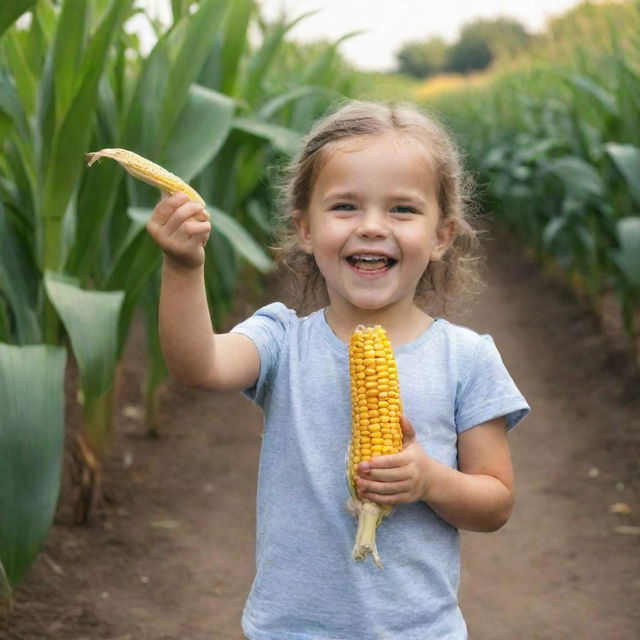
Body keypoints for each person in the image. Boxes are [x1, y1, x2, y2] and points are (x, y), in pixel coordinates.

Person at [146, 100, 530, 640]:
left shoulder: (467, 357)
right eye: (345, 207)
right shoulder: (282, 338)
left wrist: (429, 478)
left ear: (442, 236)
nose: (372, 227)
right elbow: (198, 365)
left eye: (402, 210)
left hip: (418, 630)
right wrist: (184, 268)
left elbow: (495, 503)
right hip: (291, 628)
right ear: (305, 229)